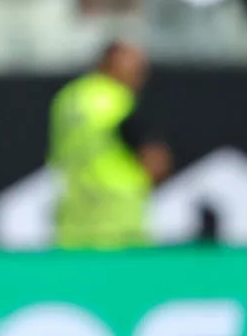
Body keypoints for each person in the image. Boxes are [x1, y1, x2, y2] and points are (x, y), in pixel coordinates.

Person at [47, 40, 173, 250]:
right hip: (117, 219)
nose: (140, 76)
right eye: (136, 69)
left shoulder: (68, 98)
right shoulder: (116, 100)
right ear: (113, 65)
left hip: (73, 216)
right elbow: (154, 158)